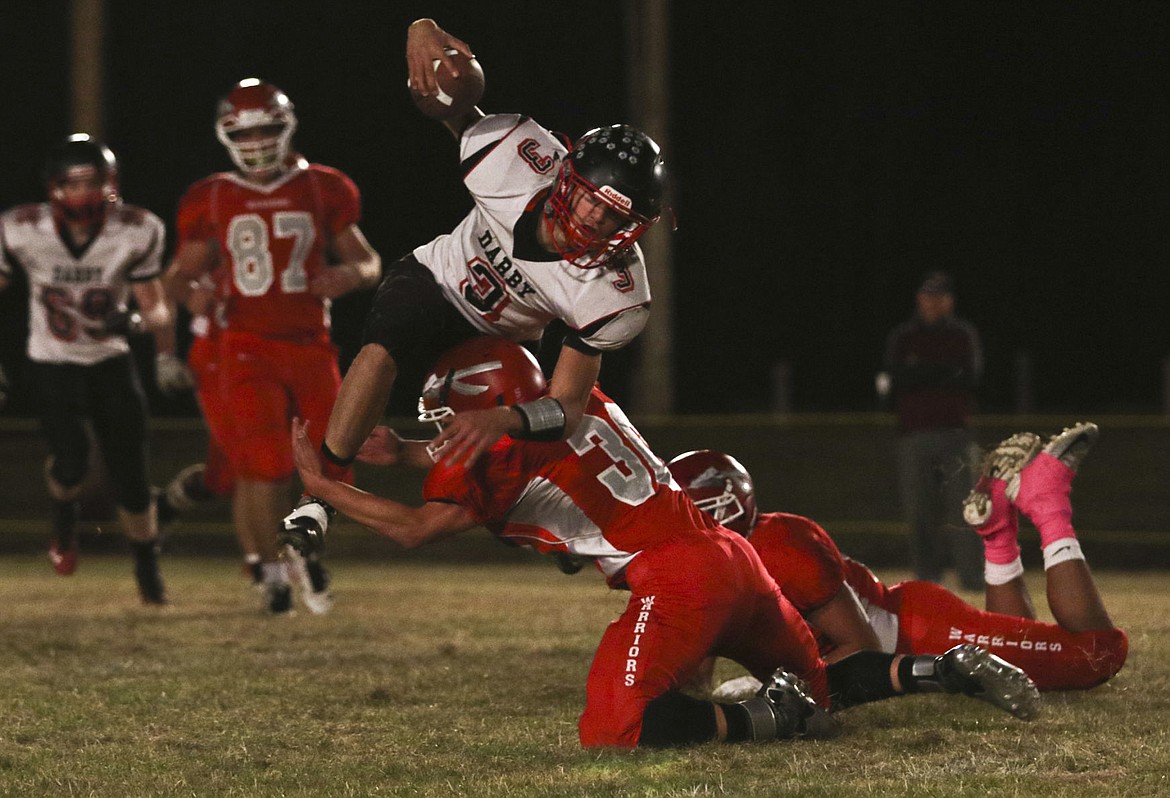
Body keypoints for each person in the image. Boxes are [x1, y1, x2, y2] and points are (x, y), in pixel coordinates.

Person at [283, 337, 1039, 749]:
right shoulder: (577, 400)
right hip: (730, 560)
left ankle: (756, 722)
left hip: (679, 578)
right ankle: (940, 670)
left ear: (487, 410)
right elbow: (530, 452)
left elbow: (418, 527)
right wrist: (409, 451)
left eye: (451, 416)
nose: (442, 431)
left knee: (615, 727)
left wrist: (324, 488)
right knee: (818, 691)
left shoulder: (506, 453)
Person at [304, 16, 668, 500]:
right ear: (564, 177)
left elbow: (566, 408)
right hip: (438, 279)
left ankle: (543, 518)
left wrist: (506, 416)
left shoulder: (614, 295)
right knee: (381, 350)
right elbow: (452, 104)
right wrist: (422, 33)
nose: (597, 220)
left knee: (522, 416)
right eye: (591, 200)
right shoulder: (512, 158)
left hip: (502, 337)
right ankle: (321, 493)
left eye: (614, 217)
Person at [667, 422, 1126, 696]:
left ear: (717, 509)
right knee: (1031, 649)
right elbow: (696, 674)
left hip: (920, 634)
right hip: (909, 637)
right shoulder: (712, 564)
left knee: (1097, 657)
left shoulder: (781, 547)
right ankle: (997, 526)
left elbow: (863, 649)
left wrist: (775, 690)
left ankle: (1047, 499)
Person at [162, 78, 382, 614]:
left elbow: (369, 261)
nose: (258, 142)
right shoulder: (211, 195)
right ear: (226, 135)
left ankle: (301, 548)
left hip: (310, 342)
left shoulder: (323, 187)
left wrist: (350, 275)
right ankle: (274, 567)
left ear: (286, 128)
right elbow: (177, 277)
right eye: (247, 132)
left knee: (335, 460)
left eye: (267, 129)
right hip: (243, 343)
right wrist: (191, 299)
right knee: (262, 463)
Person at [0, 134, 192, 603]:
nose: (84, 194)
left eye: (93, 182)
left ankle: (147, 568)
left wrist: (138, 324)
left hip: (110, 362)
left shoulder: (138, 228)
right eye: (73, 183)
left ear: (111, 185)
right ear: (53, 187)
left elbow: (159, 309)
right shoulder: (21, 228)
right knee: (71, 462)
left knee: (131, 474)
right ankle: (64, 519)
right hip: (52, 363)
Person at [880, 270, 985, 590]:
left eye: (939, 297)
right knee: (920, 513)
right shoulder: (903, 337)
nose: (932, 303)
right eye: (927, 296)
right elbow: (892, 381)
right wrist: (941, 374)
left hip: (955, 436)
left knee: (966, 511)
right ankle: (927, 581)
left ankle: (973, 579)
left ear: (949, 301)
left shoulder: (962, 335)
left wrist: (920, 374)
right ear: (918, 299)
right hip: (914, 436)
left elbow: (970, 378)